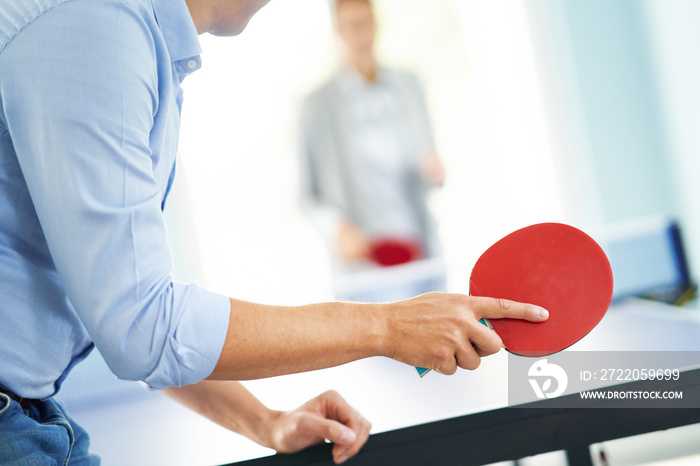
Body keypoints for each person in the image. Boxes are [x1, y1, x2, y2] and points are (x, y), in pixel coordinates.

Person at [0, 0, 549, 464]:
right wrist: (385, 325)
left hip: (31, 415)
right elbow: (142, 325)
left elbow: (122, 302)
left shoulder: (125, 35)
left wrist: (266, 422)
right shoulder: (95, 31)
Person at [300, 0, 445, 272]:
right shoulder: (317, 106)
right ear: (337, 30)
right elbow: (307, 195)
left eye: (367, 23)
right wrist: (338, 228)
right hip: (363, 264)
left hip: (420, 250)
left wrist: (431, 168)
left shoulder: (409, 86)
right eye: (352, 25)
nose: (361, 34)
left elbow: (427, 155)